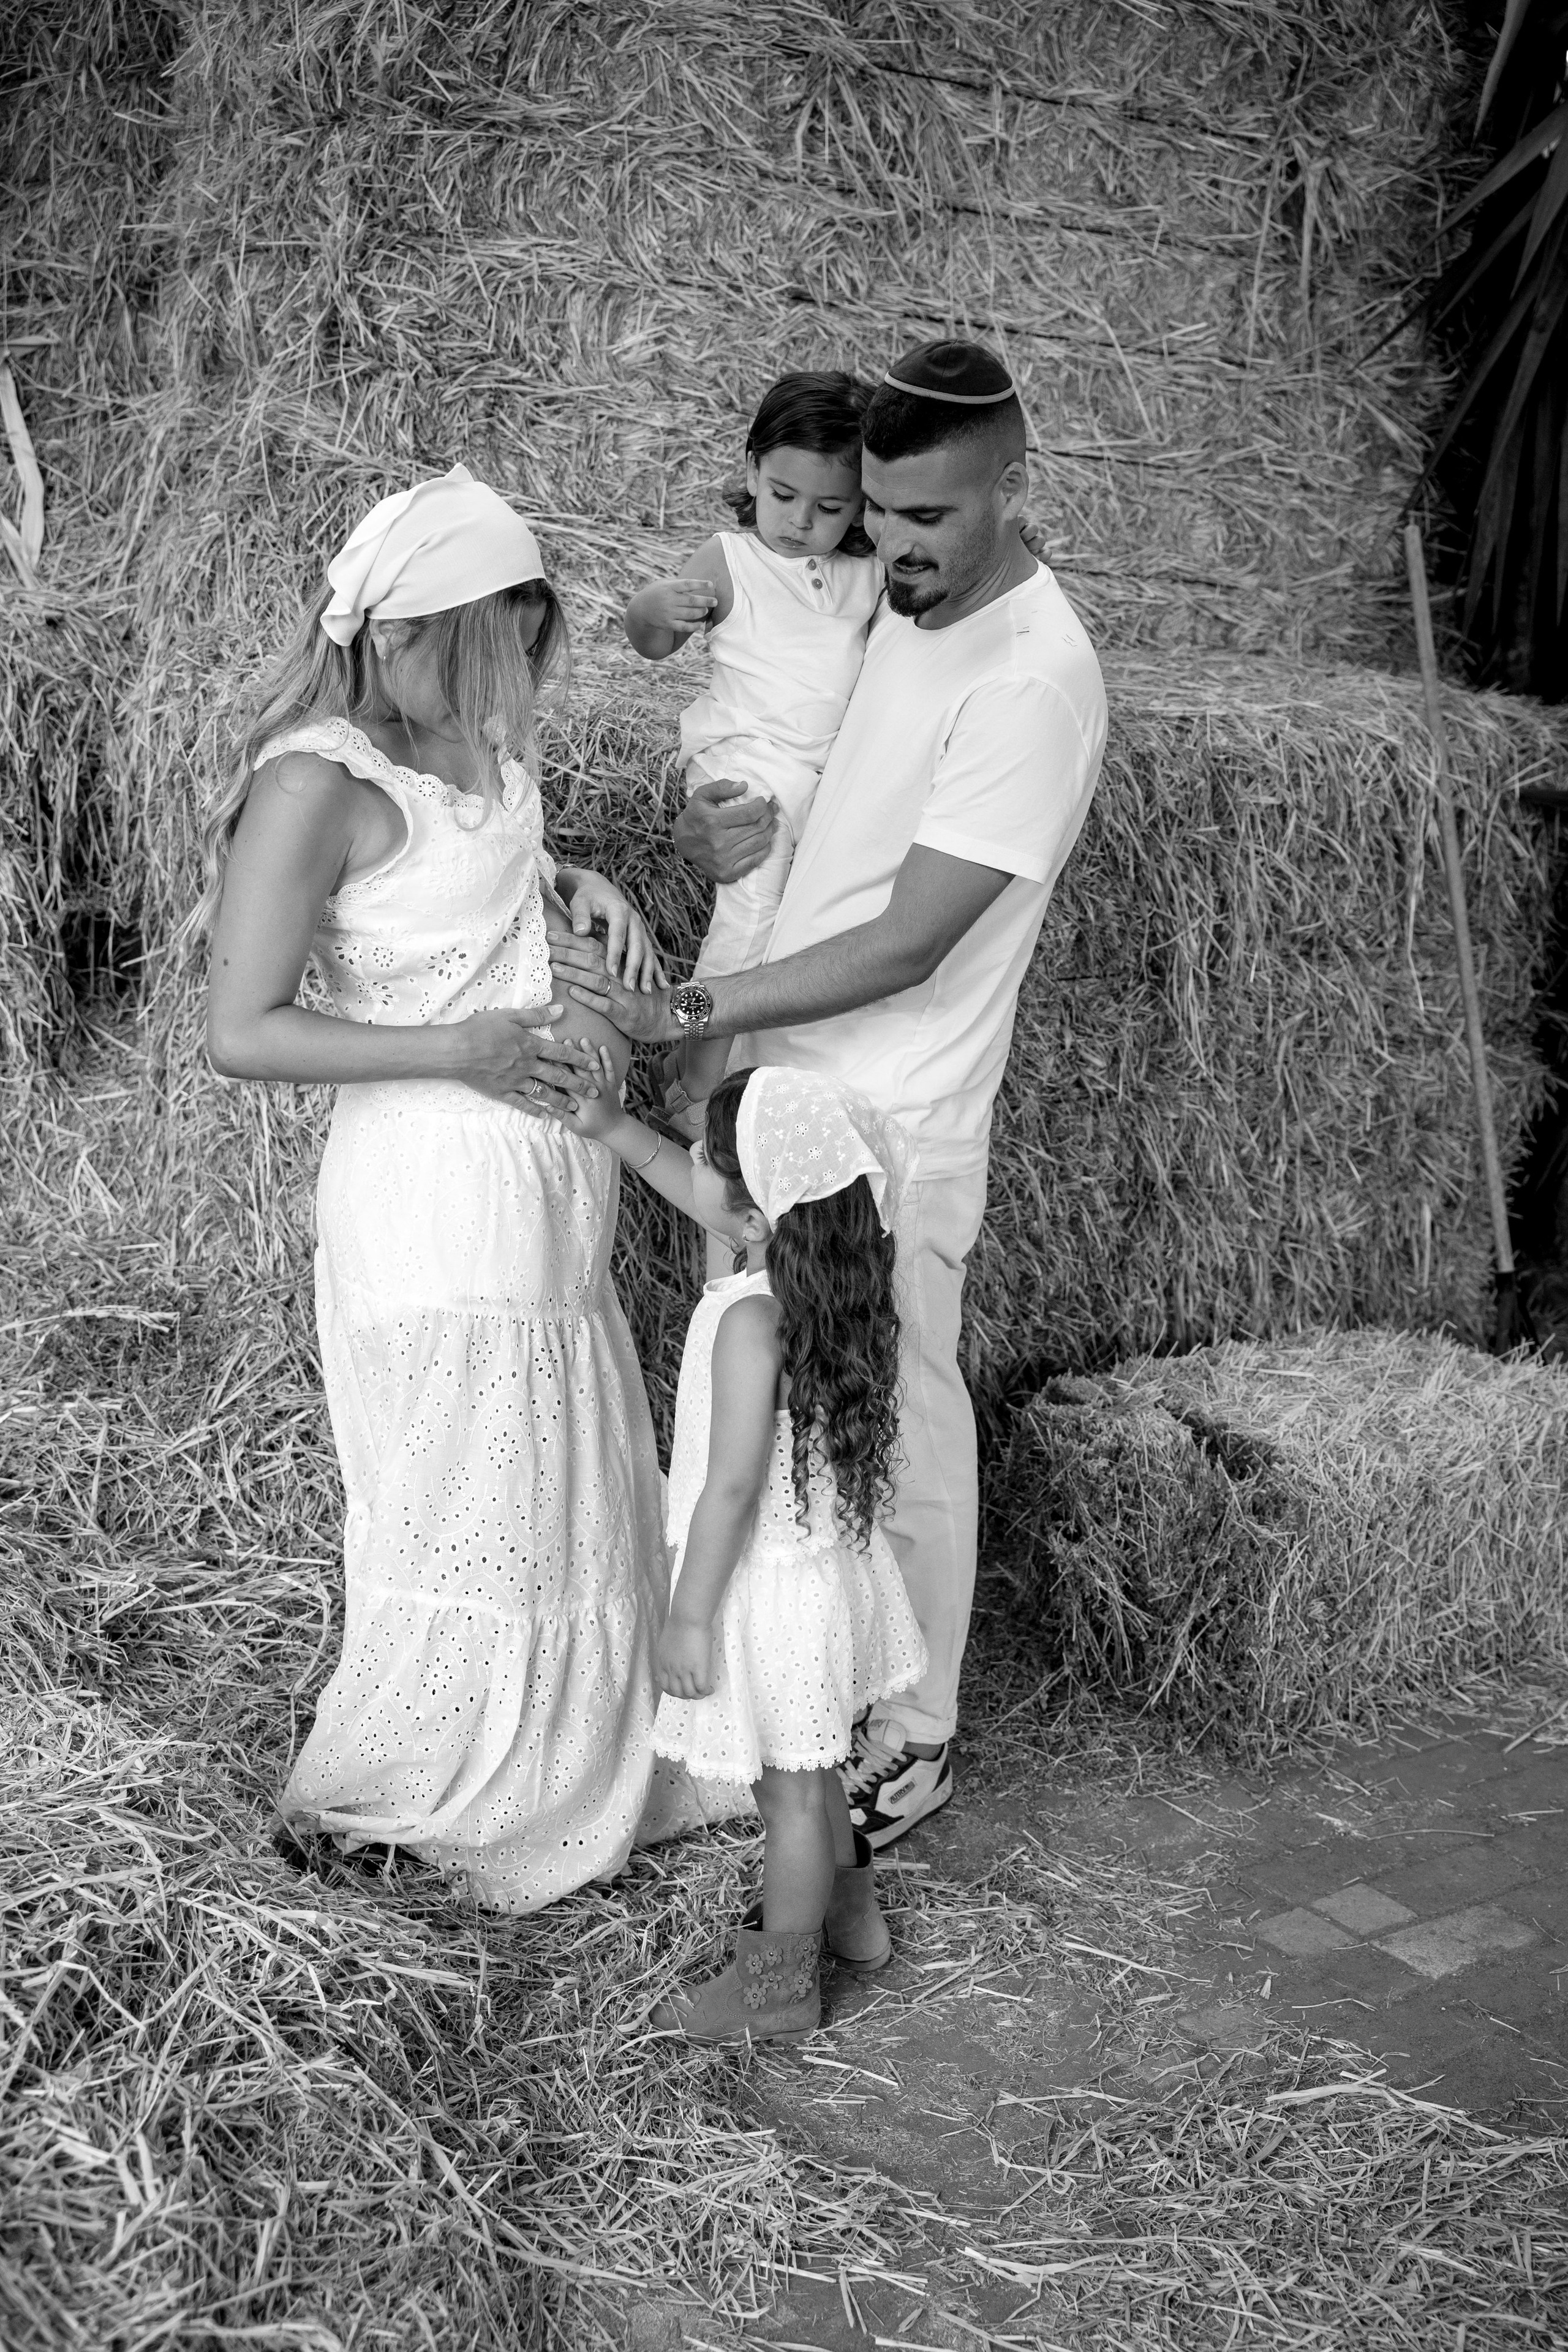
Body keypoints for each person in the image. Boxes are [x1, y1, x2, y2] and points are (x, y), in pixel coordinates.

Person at [554, 340, 1108, 1851]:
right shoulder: (899, 603)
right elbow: (780, 742)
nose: (894, 543)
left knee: (903, 1415)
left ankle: (916, 1736)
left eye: (926, 514)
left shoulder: (1032, 680)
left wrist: (687, 1007)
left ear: (1012, 486)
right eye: (875, 511)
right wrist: (707, 818)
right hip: (794, 1092)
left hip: (900, 1116)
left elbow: (911, 938)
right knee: (783, 1418)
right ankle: (801, 1691)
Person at [197, 464, 673, 1910]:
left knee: (547, 1499)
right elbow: (241, 1028)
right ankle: (424, 1793)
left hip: (541, 1197)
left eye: (526, 653)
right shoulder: (315, 783)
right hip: (430, 1197)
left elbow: (458, 889)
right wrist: (456, 1048)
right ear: (399, 635)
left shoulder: (475, 754)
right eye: (488, 651)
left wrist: (577, 884)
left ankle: (550, 1762)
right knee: (462, 1497)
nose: (510, 687)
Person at [555, 1058, 926, 2041]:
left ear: (759, 1218)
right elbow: (698, 1187)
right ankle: (854, 1923)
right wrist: (610, 1124)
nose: (697, 1173)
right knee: (817, 1773)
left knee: (789, 1795)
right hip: (819, 1574)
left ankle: (778, 1992)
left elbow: (727, 1491)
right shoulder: (824, 1290)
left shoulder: (748, 1323)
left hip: (764, 1588)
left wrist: (686, 1614)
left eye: (718, 1165)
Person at [622, 371, 880, 1146]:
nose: (801, 522)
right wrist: (649, 611)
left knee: (805, 934)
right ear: (749, 473)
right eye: (782, 495)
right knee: (749, 917)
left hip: (819, 778)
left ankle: (729, 1059)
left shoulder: (865, 578)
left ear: (864, 505)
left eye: (830, 508)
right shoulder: (731, 560)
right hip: (745, 769)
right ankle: (695, 1073)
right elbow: (653, 644)